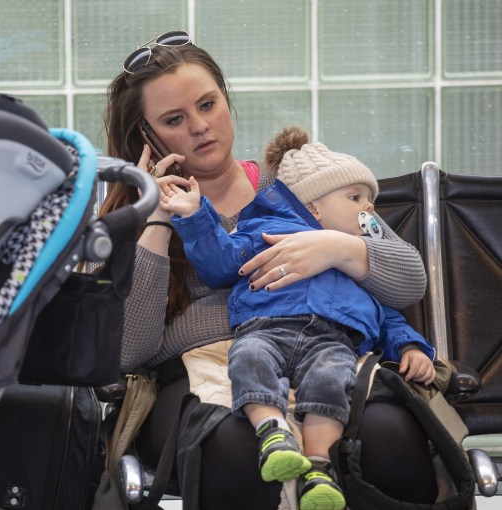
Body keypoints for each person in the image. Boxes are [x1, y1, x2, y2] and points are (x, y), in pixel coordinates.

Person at [99, 30, 437, 509]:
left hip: (326, 351)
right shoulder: (127, 221)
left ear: (226, 100)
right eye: (175, 119)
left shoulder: (302, 184)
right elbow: (129, 352)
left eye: (208, 104)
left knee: (390, 432)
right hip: (200, 378)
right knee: (238, 446)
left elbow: (408, 280)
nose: (200, 126)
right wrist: (157, 214)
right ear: (147, 139)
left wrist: (336, 248)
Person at [159, 125, 436, 510]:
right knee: (247, 359)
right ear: (313, 207)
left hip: (332, 341)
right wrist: (195, 217)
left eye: (369, 199)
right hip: (263, 331)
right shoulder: (265, 230)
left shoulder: (356, 258)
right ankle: (272, 432)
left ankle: (320, 466)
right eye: (355, 197)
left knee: (331, 380)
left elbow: (387, 313)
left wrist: (410, 345)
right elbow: (222, 262)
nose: (368, 208)